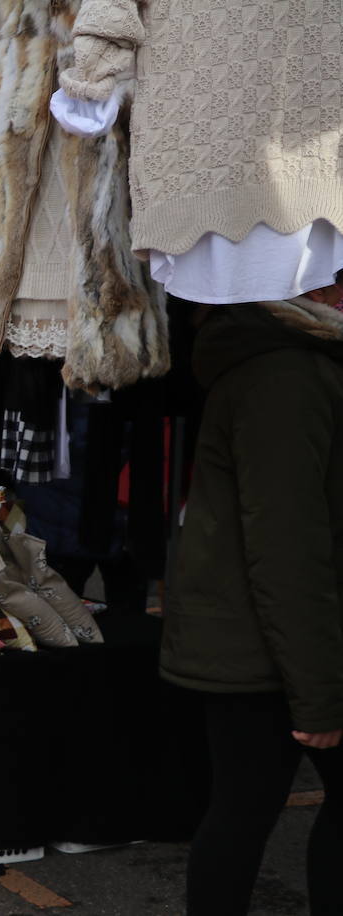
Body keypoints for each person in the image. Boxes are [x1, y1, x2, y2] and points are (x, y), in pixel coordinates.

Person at [167, 275, 343, 915]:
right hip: (263, 645)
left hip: (260, 638)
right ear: (316, 289)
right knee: (243, 810)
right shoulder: (285, 377)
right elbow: (288, 544)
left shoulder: (289, 363)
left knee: (243, 809)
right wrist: (319, 695)